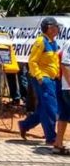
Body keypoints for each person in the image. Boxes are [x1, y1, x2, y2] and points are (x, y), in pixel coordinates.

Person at [19, 17, 62, 146]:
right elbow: (32, 61)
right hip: (43, 79)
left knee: (44, 107)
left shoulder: (53, 42)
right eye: (55, 27)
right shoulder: (41, 41)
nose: (58, 29)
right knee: (51, 108)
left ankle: (25, 125)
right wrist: (39, 77)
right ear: (49, 28)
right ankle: (51, 138)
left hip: (52, 79)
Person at [54, 39, 70, 155]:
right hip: (68, 87)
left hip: (65, 87)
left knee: (64, 115)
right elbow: (64, 64)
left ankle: (58, 144)